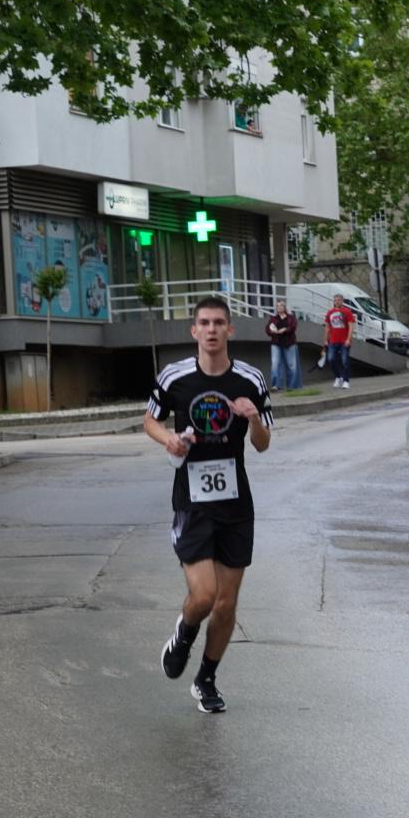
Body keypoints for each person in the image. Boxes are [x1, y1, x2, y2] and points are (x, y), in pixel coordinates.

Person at [144, 296, 273, 713]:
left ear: (230, 330)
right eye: (205, 322)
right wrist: (169, 439)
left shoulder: (250, 379)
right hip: (193, 500)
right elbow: (149, 418)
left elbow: (263, 443)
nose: (212, 329)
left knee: (226, 603)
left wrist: (253, 419)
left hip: (235, 501)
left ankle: (206, 679)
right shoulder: (175, 377)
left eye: (220, 322)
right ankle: (183, 634)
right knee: (203, 597)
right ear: (194, 331)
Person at [322, 293, 357, 388]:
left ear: (342, 301)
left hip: (344, 340)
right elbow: (327, 327)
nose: (337, 302)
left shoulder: (347, 311)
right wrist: (325, 340)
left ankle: (346, 381)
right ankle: (338, 377)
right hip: (333, 340)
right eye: (335, 300)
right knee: (331, 359)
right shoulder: (330, 312)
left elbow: (351, 326)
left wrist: (349, 339)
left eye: (339, 300)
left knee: (345, 360)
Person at [265, 301, 301, 391]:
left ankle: (292, 386)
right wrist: (272, 331)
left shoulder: (291, 317)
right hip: (276, 343)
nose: (279, 307)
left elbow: (293, 327)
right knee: (275, 364)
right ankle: (276, 385)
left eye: (281, 305)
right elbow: (267, 329)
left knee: (291, 365)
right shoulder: (273, 318)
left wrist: (285, 330)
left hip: (289, 343)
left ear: (284, 307)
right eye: (277, 306)